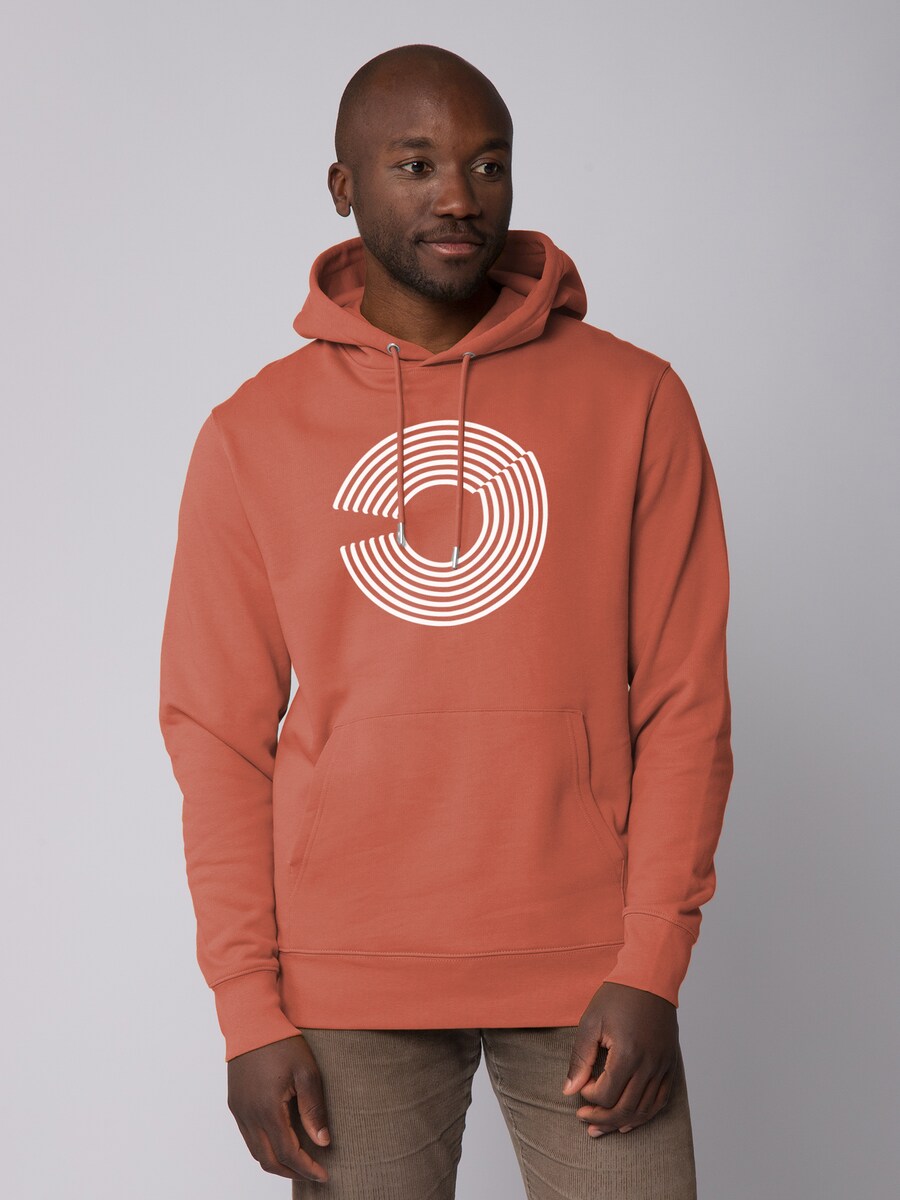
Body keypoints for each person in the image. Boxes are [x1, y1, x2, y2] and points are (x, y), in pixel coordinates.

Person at [158, 42, 734, 1199]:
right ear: (343, 187)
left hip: (588, 969)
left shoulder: (635, 401)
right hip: (346, 979)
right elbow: (216, 734)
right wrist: (248, 1009)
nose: (459, 196)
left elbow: (684, 704)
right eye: (415, 165)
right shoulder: (252, 433)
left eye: (488, 163)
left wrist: (651, 964)